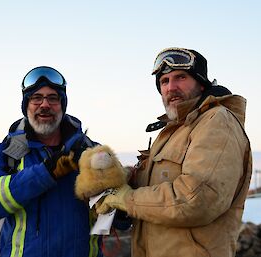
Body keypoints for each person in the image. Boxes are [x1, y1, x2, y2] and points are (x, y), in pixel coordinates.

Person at [96, 47, 252, 257]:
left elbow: (196, 199)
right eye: (164, 81)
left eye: (181, 77)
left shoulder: (216, 121)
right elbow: (157, 192)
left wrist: (128, 199)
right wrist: (122, 188)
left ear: (200, 82)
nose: (171, 87)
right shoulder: (172, 131)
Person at [0, 66, 102, 257]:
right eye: (36, 98)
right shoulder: (3, 154)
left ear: (62, 105)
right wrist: (46, 172)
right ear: (26, 105)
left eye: (53, 98)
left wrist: (121, 211)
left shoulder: (91, 153)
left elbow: (114, 217)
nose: (44, 105)